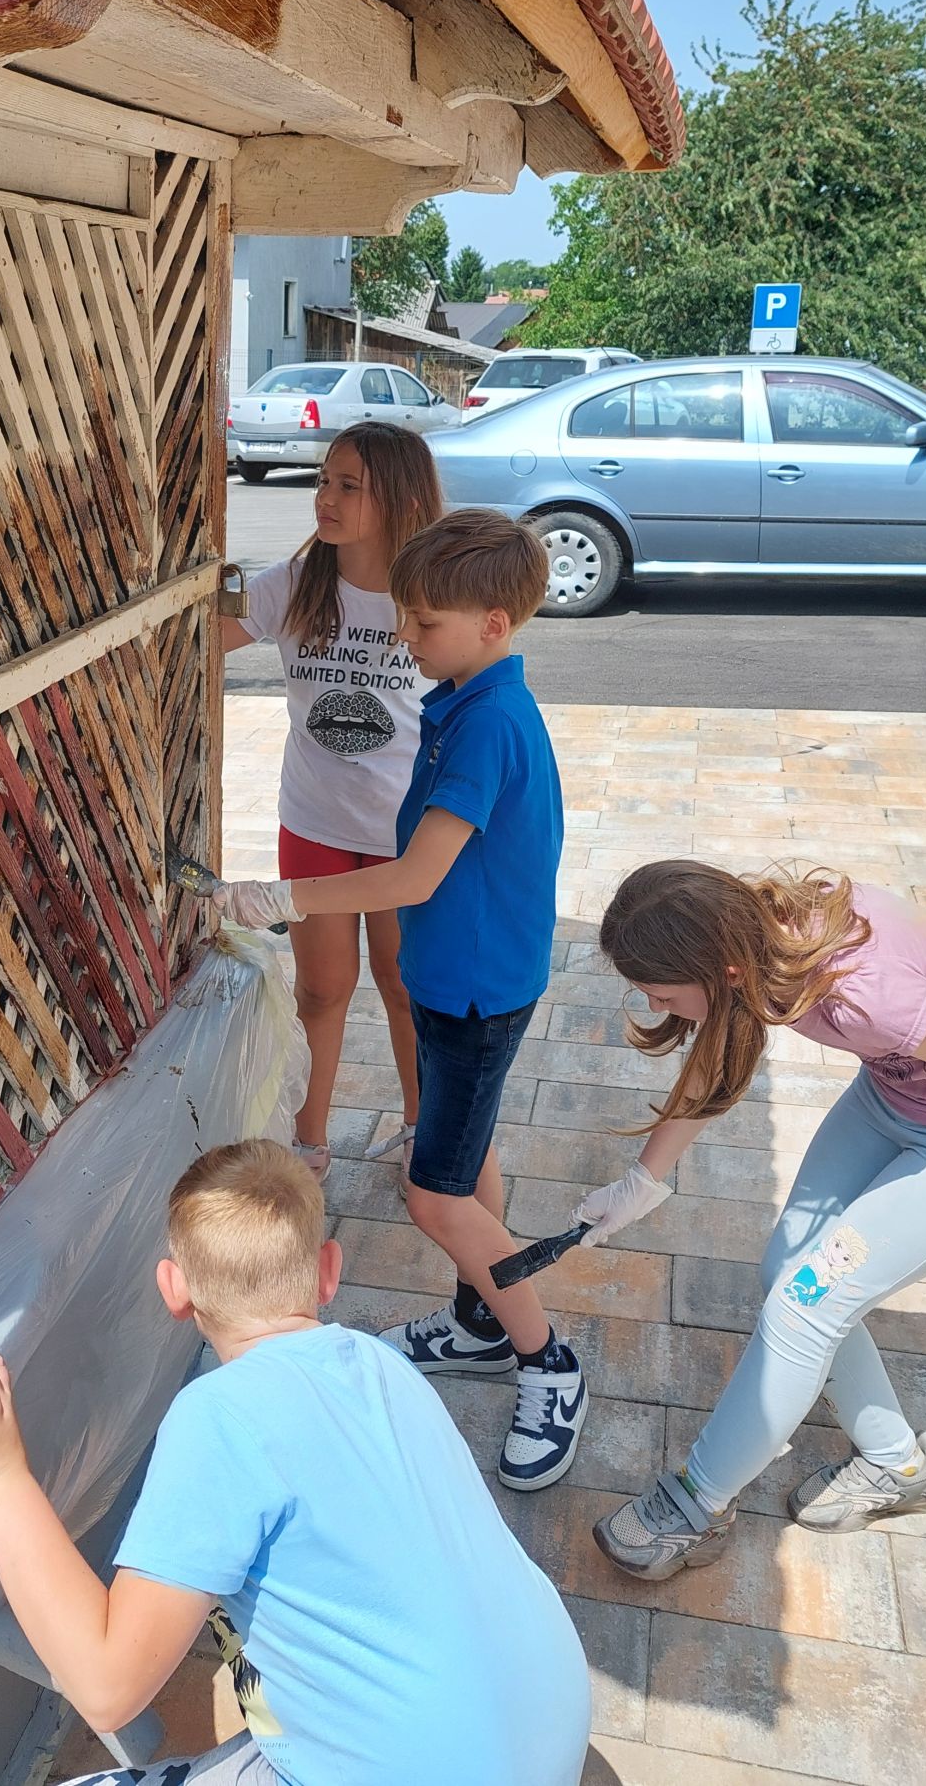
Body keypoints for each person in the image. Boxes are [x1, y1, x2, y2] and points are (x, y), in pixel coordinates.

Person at [0, 1140, 591, 1786]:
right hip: (554, 1725)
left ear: (173, 1289)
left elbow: (108, 1685)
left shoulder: (216, 1419)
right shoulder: (383, 1364)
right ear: (327, 1269)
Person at [212, 511, 587, 1492]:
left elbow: (415, 876)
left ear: (494, 623)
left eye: (424, 626)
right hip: (460, 980)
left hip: (474, 992)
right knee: (469, 1158)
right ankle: (476, 1321)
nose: (408, 642)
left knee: (434, 1192)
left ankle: (546, 1357)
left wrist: (288, 897)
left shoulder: (488, 725)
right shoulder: (468, 694)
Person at [576, 861, 926, 1579]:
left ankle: (698, 1503)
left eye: (662, 990)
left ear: (724, 969)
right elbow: (713, 1065)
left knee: (804, 1306)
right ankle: (899, 1465)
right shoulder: (757, 939)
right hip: (890, 1099)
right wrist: (642, 1180)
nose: (649, 1000)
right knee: (790, 1277)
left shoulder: (862, 993)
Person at [220, 422, 442, 1183]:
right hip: (313, 819)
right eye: (324, 481)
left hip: (403, 832)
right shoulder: (294, 583)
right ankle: (308, 1142)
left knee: (407, 987)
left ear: (402, 499)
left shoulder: (428, 594)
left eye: (351, 486)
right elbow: (200, 638)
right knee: (321, 988)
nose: (327, 497)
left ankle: (424, 1127)